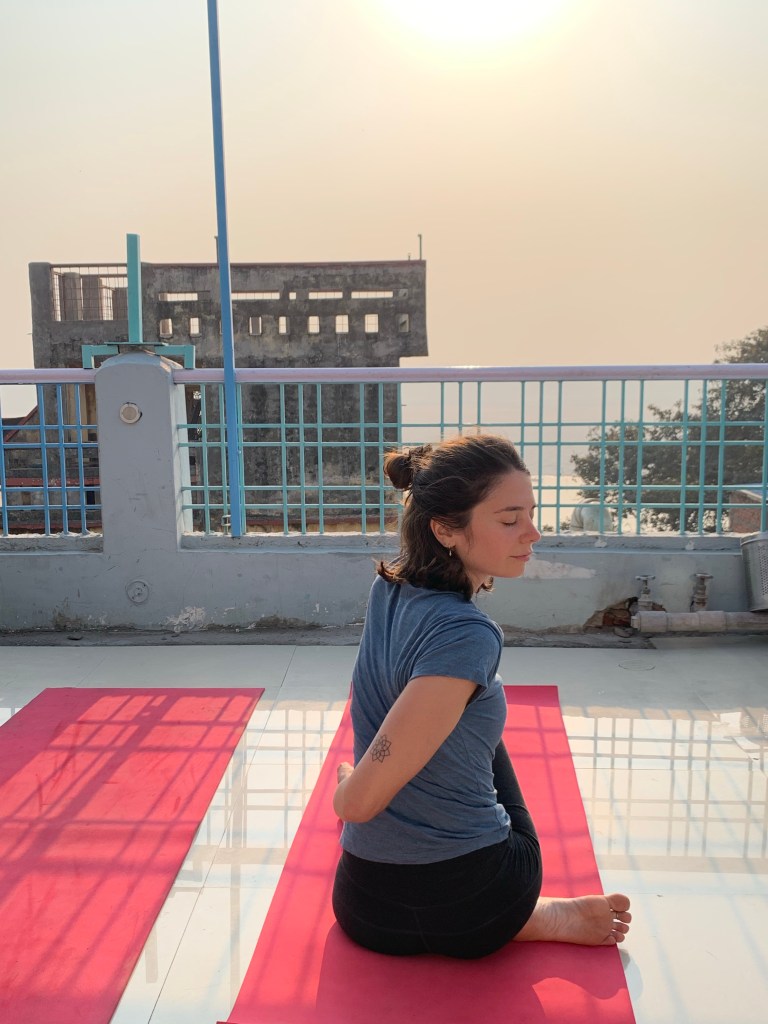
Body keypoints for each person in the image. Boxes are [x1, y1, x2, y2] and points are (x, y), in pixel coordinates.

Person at [332, 434, 631, 958]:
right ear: (445, 529)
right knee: (483, 703)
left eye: (531, 514)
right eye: (510, 519)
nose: (532, 534)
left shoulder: (388, 591)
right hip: (479, 902)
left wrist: (365, 772)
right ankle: (540, 915)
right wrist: (353, 786)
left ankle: (523, 916)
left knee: (465, 704)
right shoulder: (469, 633)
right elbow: (356, 804)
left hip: (365, 908)